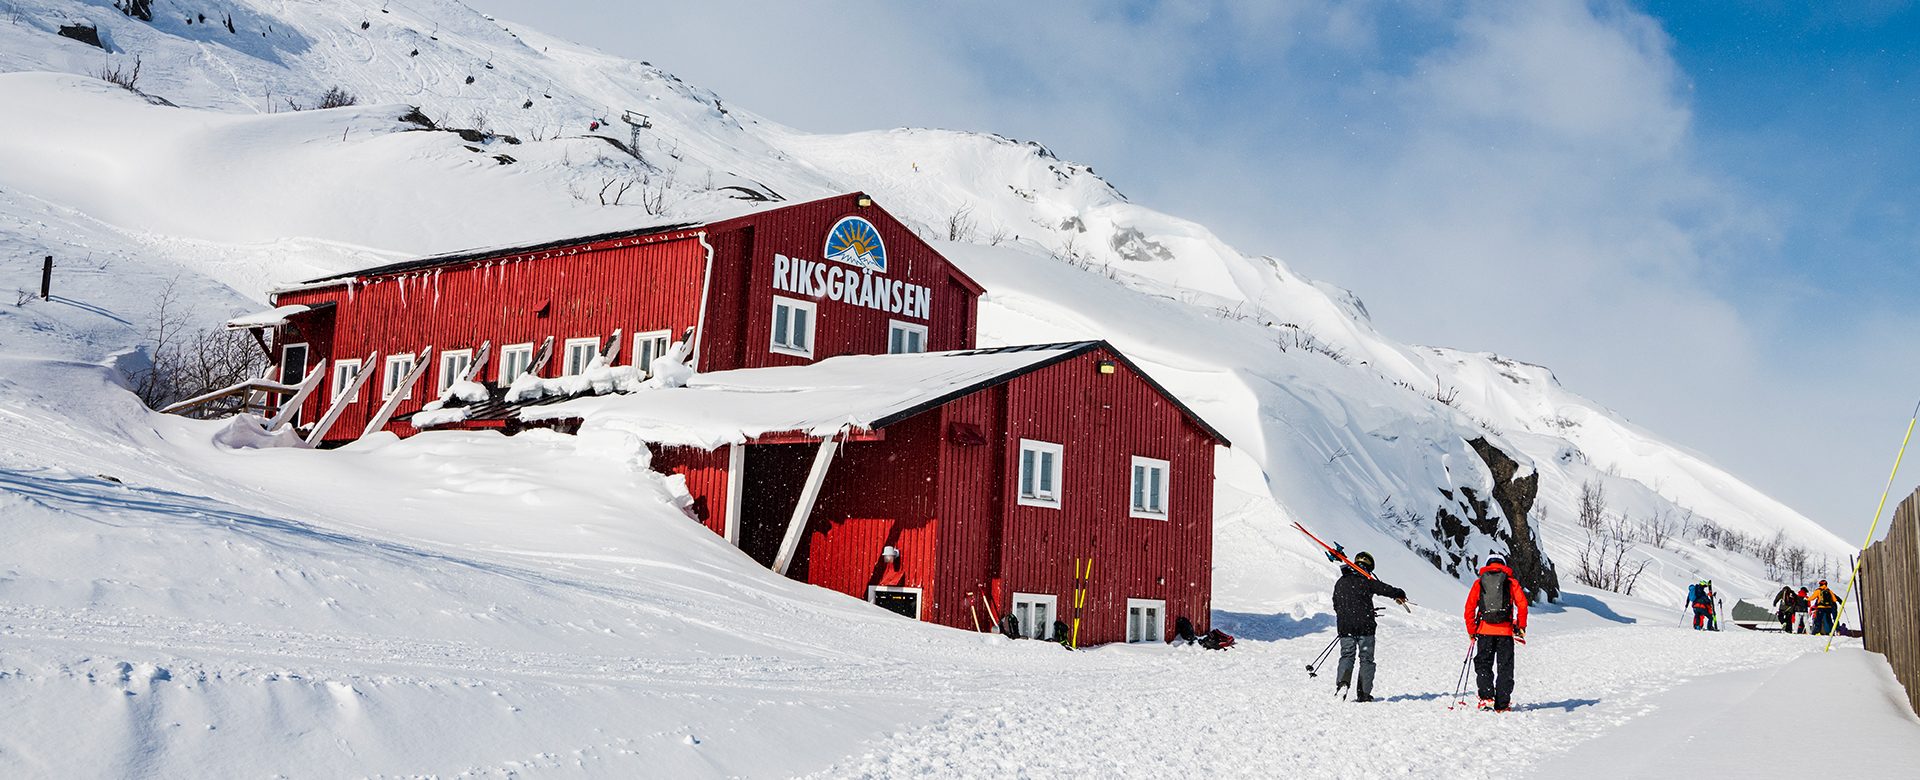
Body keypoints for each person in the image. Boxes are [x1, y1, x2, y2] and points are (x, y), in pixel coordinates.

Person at [1331, 551, 1408, 703]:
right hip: (1365, 626)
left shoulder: (1340, 582)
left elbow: (1336, 604)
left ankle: (1343, 683)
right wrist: (1398, 593)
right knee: (1366, 659)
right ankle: (1364, 694)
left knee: (1347, 655)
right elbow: (1384, 589)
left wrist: (1347, 616)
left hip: (1345, 626)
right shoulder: (1366, 581)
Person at [1463, 554, 1529, 712]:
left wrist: (1472, 630)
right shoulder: (1511, 582)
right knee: (1505, 667)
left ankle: (1487, 698)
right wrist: (1521, 626)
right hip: (1505, 632)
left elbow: (1469, 608)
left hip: (1484, 631)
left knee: (1484, 664)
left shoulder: (1480, 582)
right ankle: (1502, 704)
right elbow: (1522, 605)